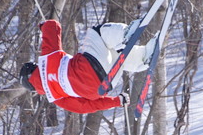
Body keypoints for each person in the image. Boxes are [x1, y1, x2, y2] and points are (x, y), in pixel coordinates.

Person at [19, 19, 154, 114]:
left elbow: (85, 107)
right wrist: (43, 25)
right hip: (90, 66)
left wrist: (116, 101)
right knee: (97, 32)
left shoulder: (56, 98)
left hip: (103, 86)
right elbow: (53, 26)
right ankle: (124, 35)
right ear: (33, 68)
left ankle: (144, 59)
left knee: (118, 54)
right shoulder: (46, 60)